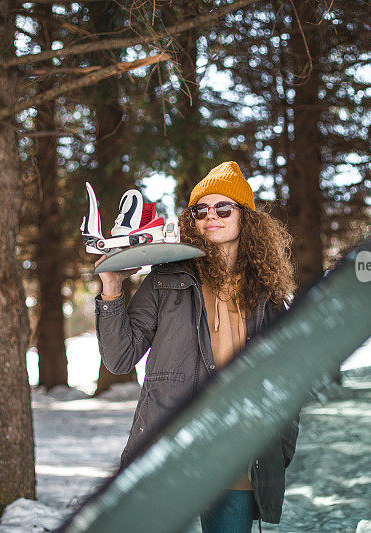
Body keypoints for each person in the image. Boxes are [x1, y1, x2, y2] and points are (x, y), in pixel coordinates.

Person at [95, 161, 299, 533]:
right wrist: (111, 288)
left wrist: (278, 449)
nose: (211, 217)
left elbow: (285, 381)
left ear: (246, 219)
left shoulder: (267, 295)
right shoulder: (167, 278)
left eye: (224, 209)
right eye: (200, 210)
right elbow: (119, 356)